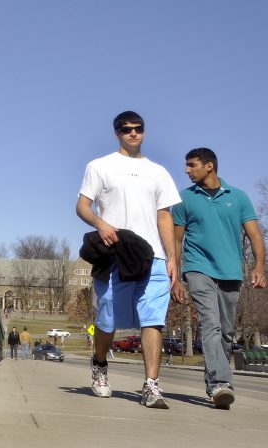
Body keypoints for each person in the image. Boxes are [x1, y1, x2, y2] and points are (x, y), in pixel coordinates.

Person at [76, 111, 181, 409]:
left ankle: (151, 385)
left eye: (138, 128)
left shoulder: (159, 171)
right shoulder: (100, 166)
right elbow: (82, 205)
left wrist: (172, 258)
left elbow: (165, 216)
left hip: (154, 258)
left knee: (153, 320)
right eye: (126, 129)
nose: (133, 133)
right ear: (116, 133)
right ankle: (100, 365)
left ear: (144, 132)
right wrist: (101, 224)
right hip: (115, 255)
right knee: (107, 317)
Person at [171, 147, 267, 410]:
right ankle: (220, 384)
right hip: (198, 269)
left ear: (209, 166)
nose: (187, 170)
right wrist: (176, 278)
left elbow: (255, 235)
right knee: (211, 324)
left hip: (231, 272)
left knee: (226, 332)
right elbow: (176, 242)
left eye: (192, 165)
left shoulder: (238, 198)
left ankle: (213, 381)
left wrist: (259, 266)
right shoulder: (184, 199)